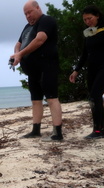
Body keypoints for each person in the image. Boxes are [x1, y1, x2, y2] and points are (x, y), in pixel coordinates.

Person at [10, 0, 63, 141]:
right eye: (25, 14)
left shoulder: (46, 21)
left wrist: (20, 54)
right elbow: (19, 43)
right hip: (33, 70)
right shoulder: (27, 27)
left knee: (52, 98)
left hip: (47, 66)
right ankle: (35, 130)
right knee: (35, 100)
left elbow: (40, 39)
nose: (28, 16)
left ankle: (57, 132)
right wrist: (16, 53)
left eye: (30, 12)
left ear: (38, 8)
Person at [69, 5, 104, 139]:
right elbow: (84, 54)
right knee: (93, 98)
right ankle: (97, 129)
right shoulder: (88, 33)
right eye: (85, 20)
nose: (87, 21)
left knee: (96, 95)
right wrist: (76, 70)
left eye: (90, 18)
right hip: (92, 69)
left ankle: (100, 131)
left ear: (97, 15)